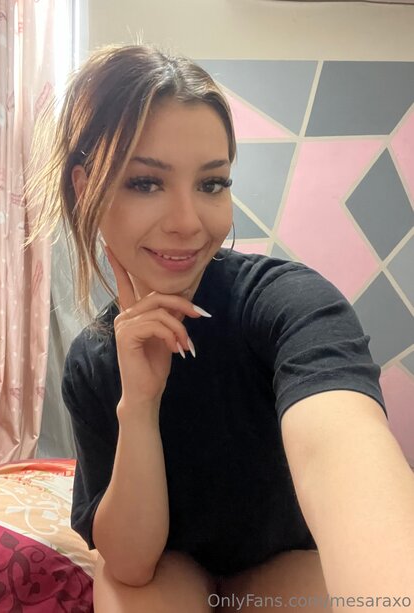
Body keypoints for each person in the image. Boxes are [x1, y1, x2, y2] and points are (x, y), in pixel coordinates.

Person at [25, 44, 414, 612]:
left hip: (287, 569)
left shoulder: (287, 304)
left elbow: (346, 455)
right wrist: (139, 405)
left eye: (211, 184)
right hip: (169, 570)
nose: (188, 223)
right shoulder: (93, 359)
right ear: (89, 190)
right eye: (146, 182)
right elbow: (130, 562)